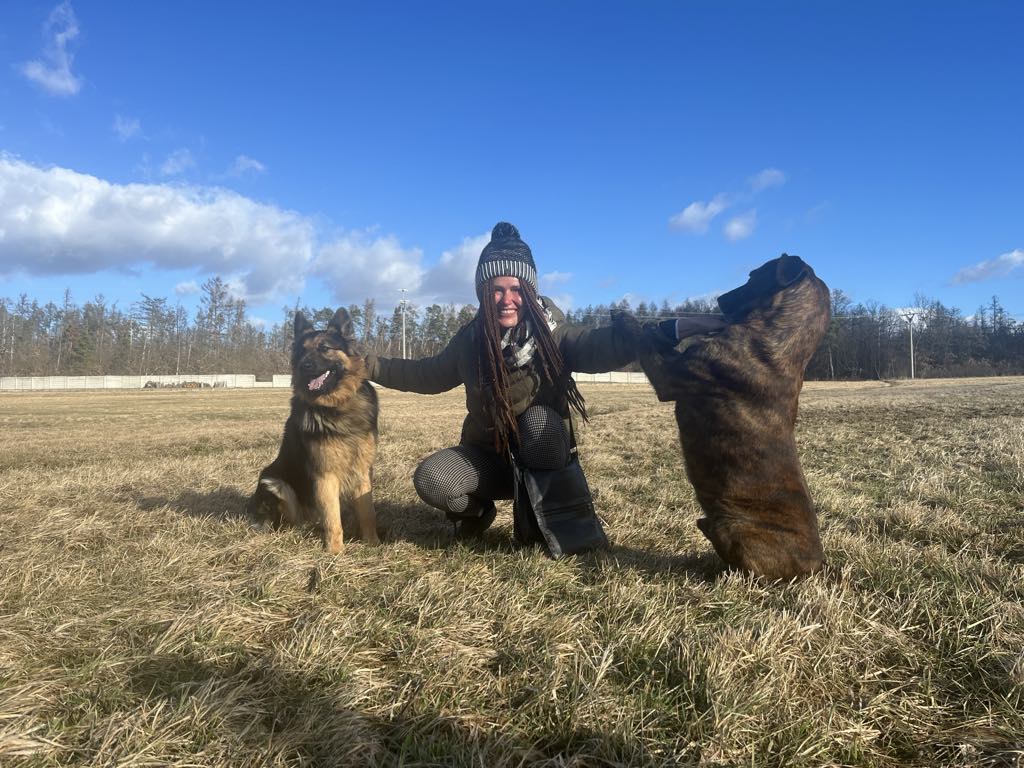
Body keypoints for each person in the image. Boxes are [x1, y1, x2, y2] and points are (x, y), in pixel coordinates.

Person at [365, 222, 724, 538]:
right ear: (483, 293)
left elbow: (602, 344)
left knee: (539, 422)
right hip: (489, 457)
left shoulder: (554, 334)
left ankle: (546, 514)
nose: (507, 300)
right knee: (432, 478)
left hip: (542, 454)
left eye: (517, 288)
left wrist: (673, 329)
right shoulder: (470, 341)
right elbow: (425, 374)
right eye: (496, 289)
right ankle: (478, 513)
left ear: (531, 292)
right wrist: (366, 365)